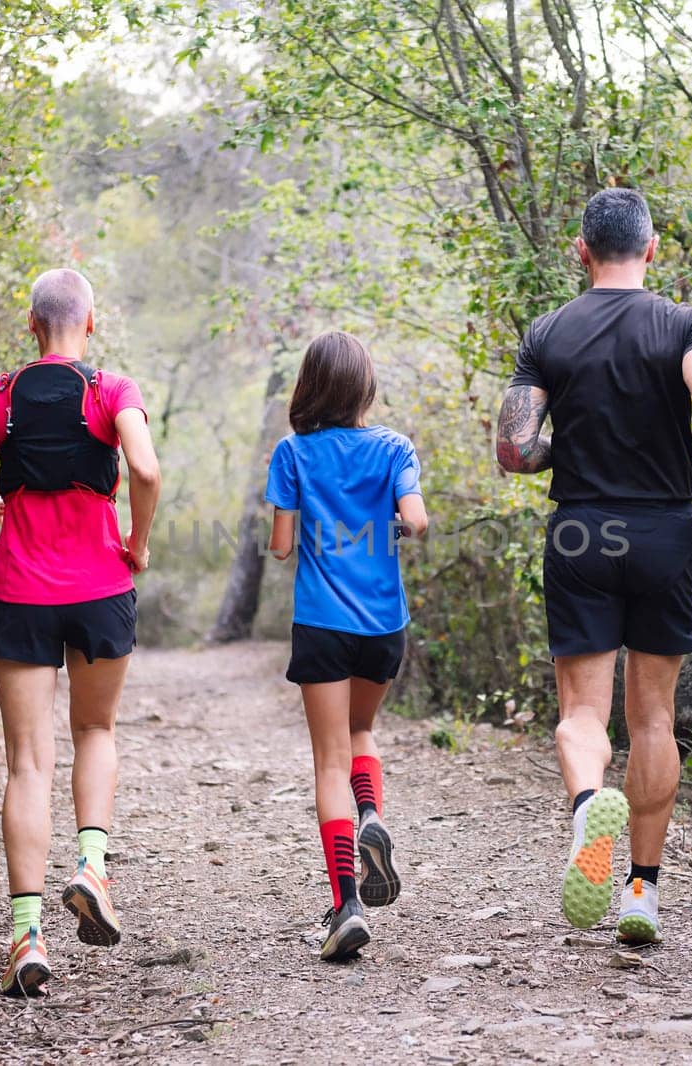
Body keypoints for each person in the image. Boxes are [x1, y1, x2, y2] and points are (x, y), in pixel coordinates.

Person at [494, 188, 692, 944]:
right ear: (652, 248)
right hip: (666, 531)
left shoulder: (548, 332)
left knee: (581, 714)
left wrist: (565, 445)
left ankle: (584, 815)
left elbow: (513, 448)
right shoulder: (684, 325)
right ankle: (640, 891)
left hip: (580, 532)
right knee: (654, 718)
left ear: (581, 251)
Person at [0, 268, 161, 996]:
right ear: (89, 324)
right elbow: (146, 470)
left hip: (19, 594)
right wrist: (137, 540)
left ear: (32, 326)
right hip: (99, 589)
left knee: (27, 766)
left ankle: (27, 939)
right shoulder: (111, 391)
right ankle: (92, 865)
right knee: (95, 732)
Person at [265, 330, 428, 962]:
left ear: (311, 386)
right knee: (363, 732)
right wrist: (383, 526)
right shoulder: (394, 447)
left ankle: (347, 903)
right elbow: (415, 520)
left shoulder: (292, 452)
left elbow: (281, 546)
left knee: (328, 759)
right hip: (383, 624)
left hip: (322, 624)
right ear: (365, 388)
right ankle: (371, 817)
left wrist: (307, 529)